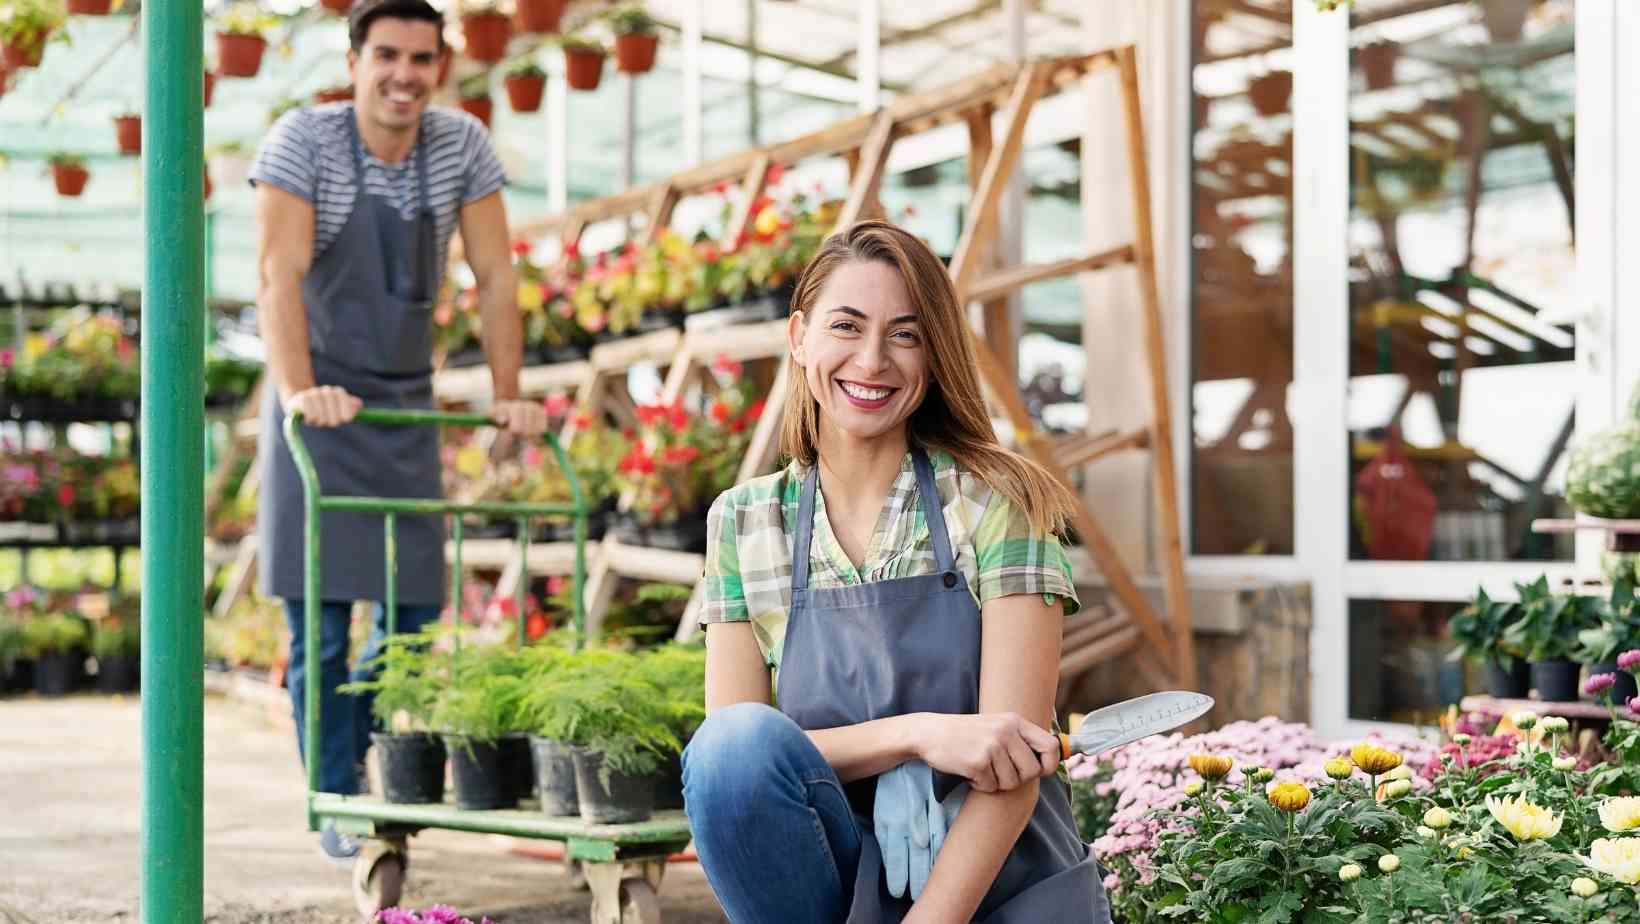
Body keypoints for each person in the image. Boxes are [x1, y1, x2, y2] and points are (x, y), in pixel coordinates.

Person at [684, 220, 1110, 923]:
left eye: (906, 335)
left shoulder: (997, 504)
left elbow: (1011, 772)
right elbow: (742, 765)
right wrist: (917, 733)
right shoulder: (744, 522)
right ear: (798, 338)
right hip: (829, 875)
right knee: (730, 749)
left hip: (993, 885)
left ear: (935, 356)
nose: (873, 360)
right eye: (846, 327)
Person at [249, 0, 545, 863]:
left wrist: (507, 394)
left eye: (422, 59)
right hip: (321, 409)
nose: (404, 76)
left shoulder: (460, 146)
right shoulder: (301, 142)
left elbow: (495, 275)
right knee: (321, 612)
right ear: (353, 61)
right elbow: (279, 274)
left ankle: (372, 766)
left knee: (413, 608)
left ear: (441, 67)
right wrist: (302, 391)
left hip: (404, 404)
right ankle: (334, 794)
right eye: (387, 55)